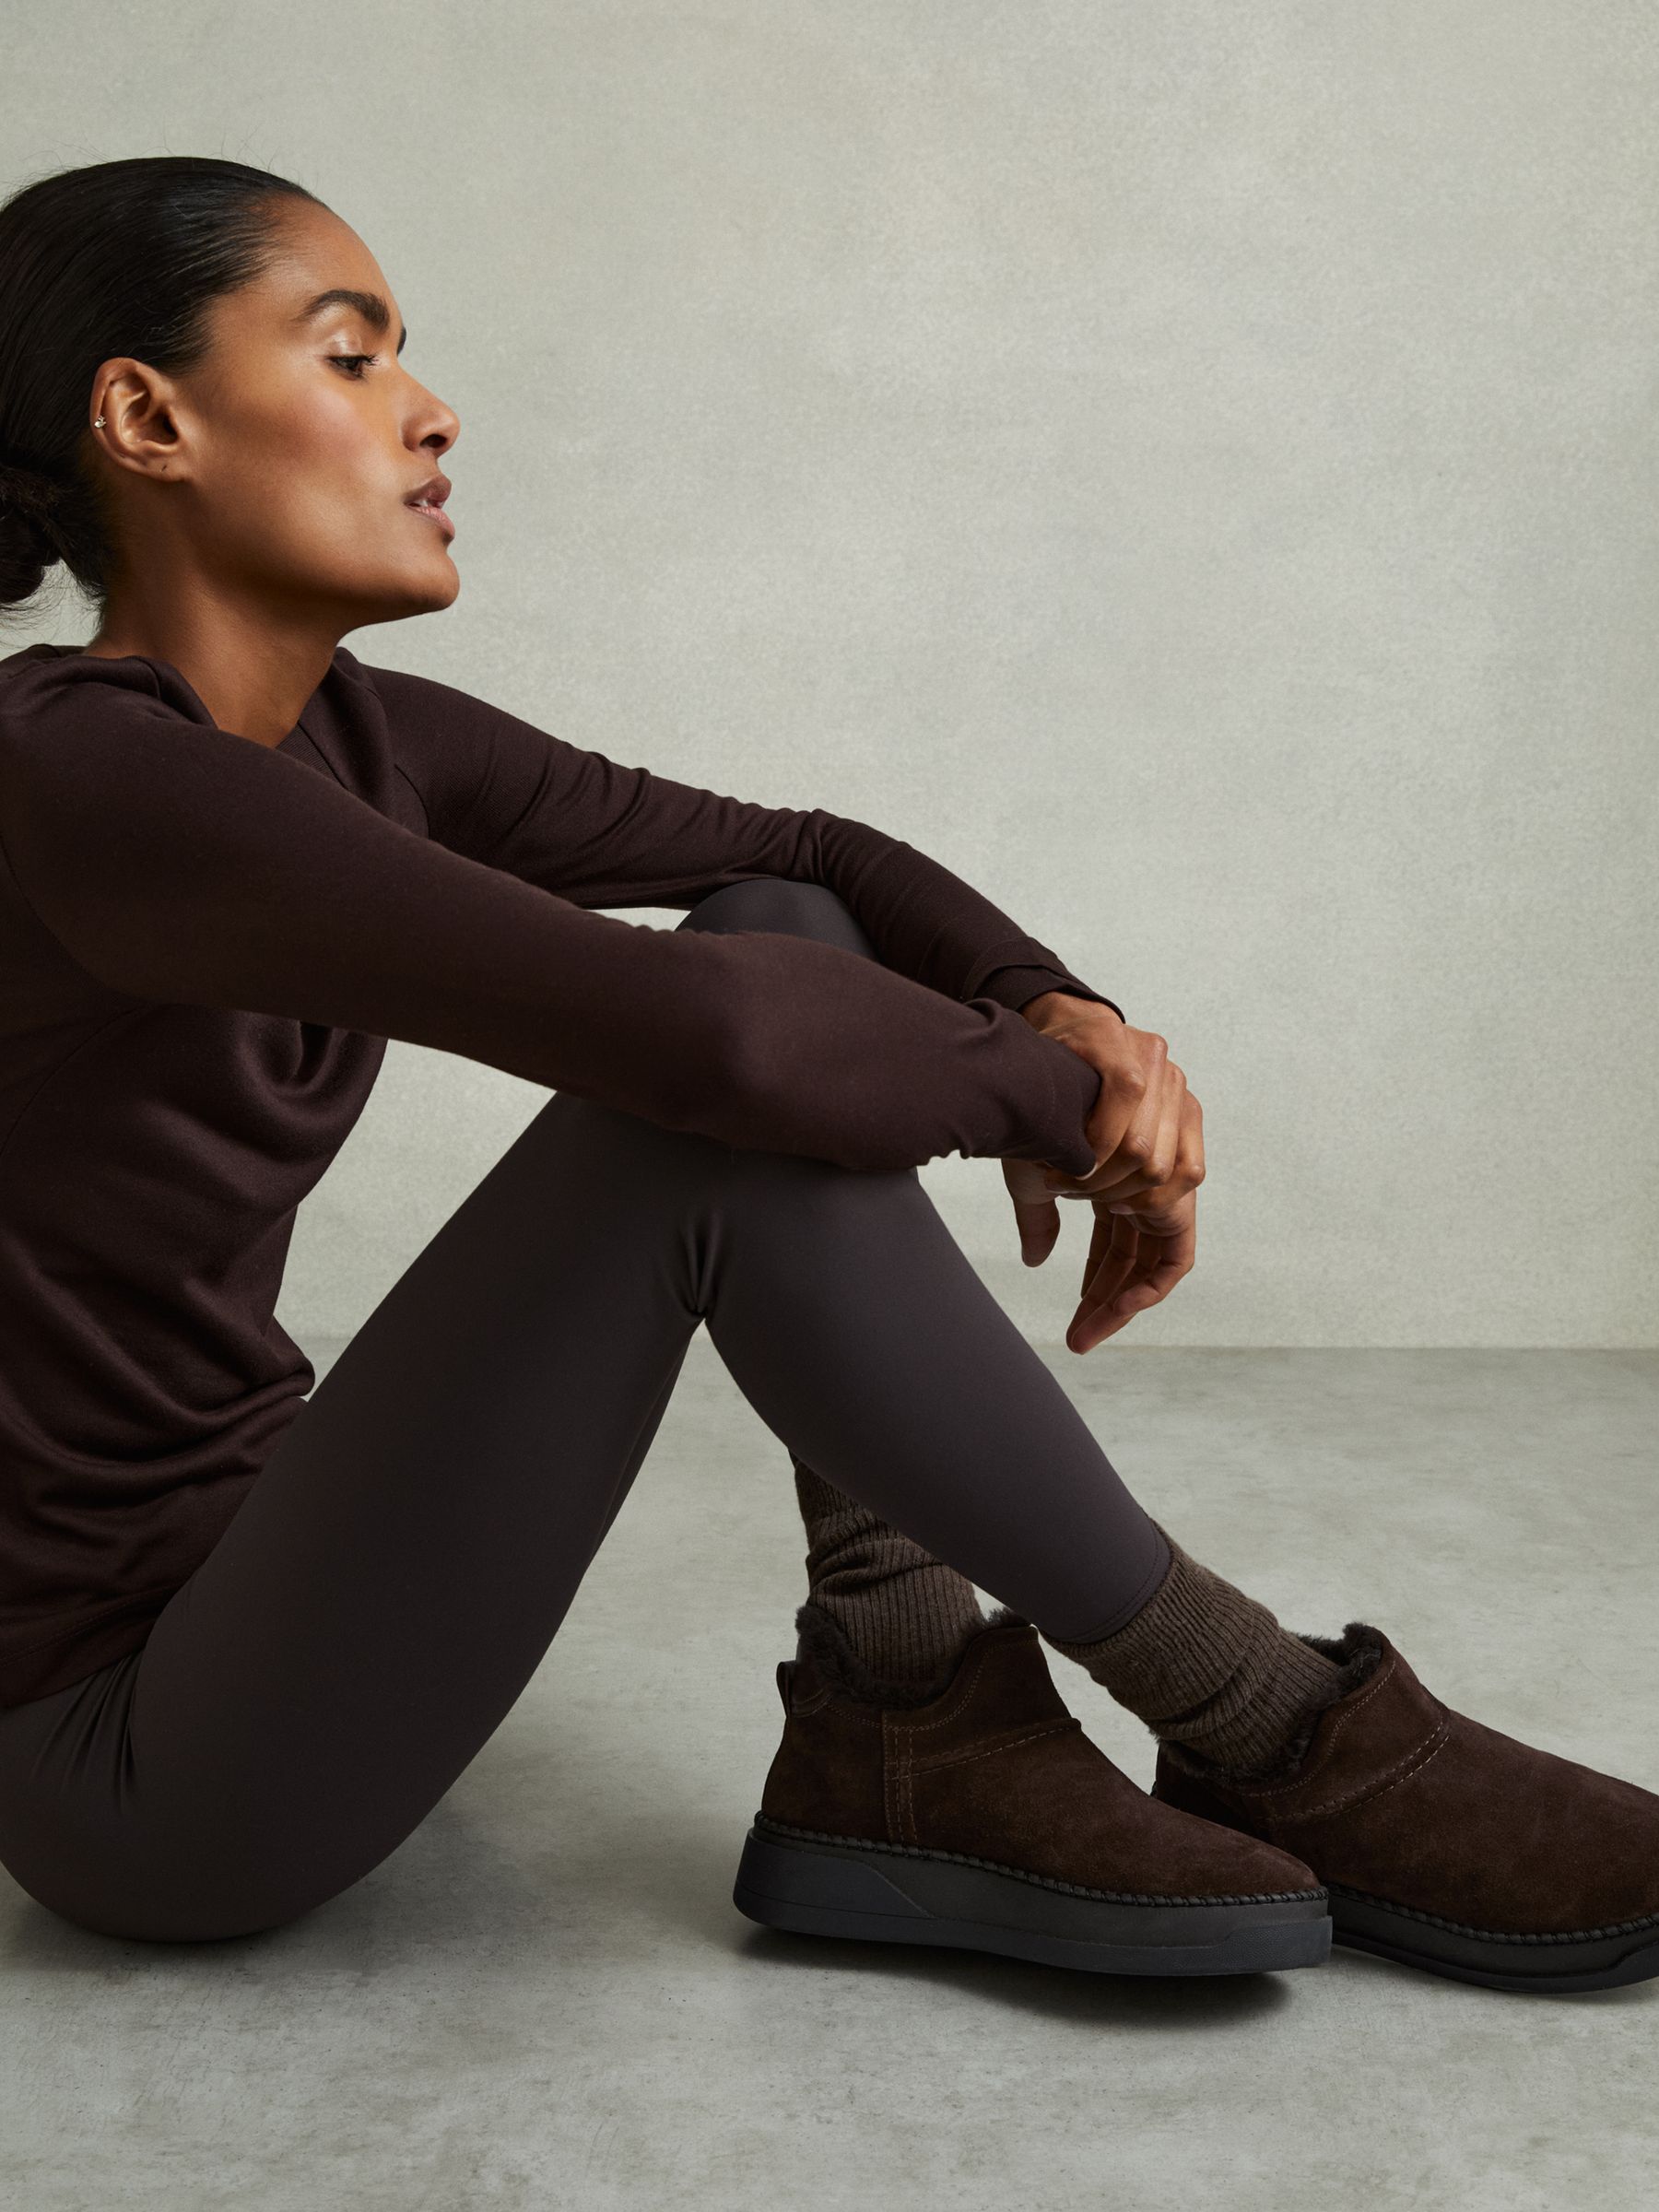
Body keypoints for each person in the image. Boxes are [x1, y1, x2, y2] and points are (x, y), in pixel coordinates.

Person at [0, 155, 1653, 1996]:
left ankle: (907, 1704)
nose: (431, 409)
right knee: (698, 1108)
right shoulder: (85, 781)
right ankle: (1264, 1720)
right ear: (148, 417)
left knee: (770, 913)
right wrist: (1074, 1120)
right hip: (136, 1758)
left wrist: (1063, 1012)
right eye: (352, 356)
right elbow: (712, 1045)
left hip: (287, 1560)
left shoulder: (361, 741)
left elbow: (810, 859)